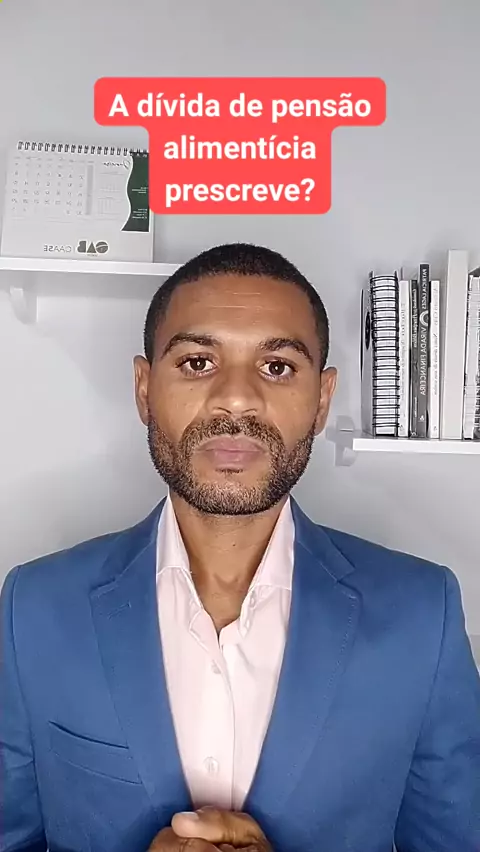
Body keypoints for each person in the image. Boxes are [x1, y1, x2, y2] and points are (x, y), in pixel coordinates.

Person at [1, 243, 479, 852]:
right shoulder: (34, 609)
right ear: (144, 390)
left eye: (277, 367)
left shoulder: (423, 616)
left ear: (322, 400)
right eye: (198, 362)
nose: (236, 397)